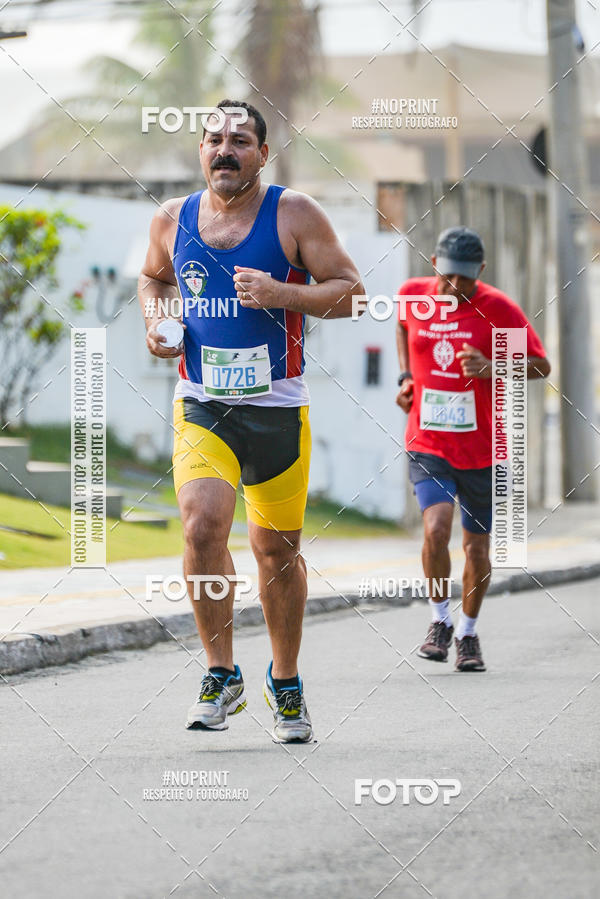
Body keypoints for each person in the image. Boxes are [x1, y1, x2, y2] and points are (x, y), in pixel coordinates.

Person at [138, 99, 364, 741]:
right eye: (214, 140)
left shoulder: (293, 214)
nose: (225, 150)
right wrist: (157, 324)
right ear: (201, 151)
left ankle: (285, 682)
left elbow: (352, 294)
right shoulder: (171, 218)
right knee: (202, 526)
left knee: (276, 550)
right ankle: (220, 672)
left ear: (264, 154)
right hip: (203, 401)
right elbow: (153, 281)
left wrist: (282, 293)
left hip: (278, 409)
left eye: (240, 140)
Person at [395, 226, 550, 671]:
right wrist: (405, 379)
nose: (456, 286)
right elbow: (403, 328)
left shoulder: (499, 309)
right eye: (448, 277)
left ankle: (467, 632)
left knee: (477, 549)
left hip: (482, 448)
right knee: (436, 528)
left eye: (466, 278)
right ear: (433, 265)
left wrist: (492, 366)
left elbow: (541, 365)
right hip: (429, 442)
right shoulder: (412, 295)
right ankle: (439, 621)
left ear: (479, 271)